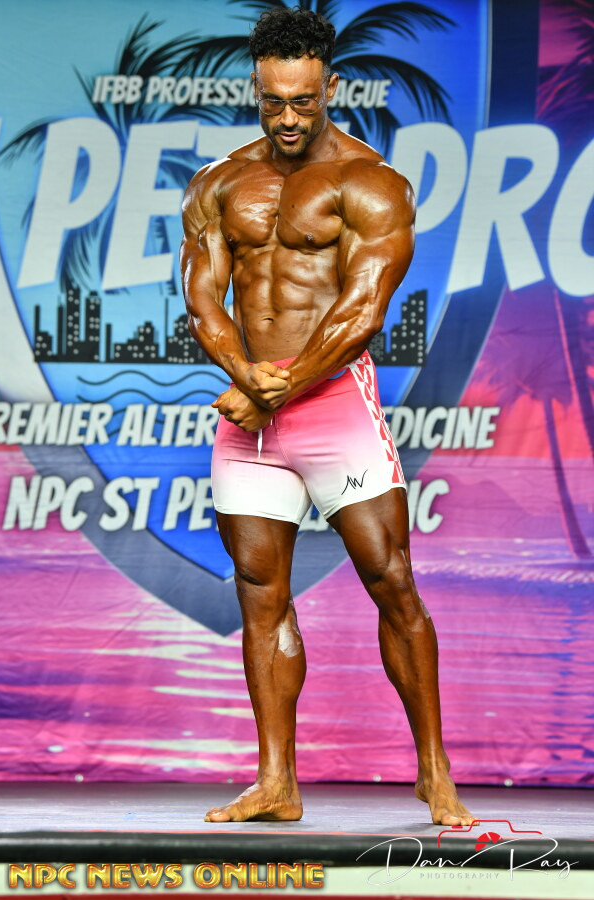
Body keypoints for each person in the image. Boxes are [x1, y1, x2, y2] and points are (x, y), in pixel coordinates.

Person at [180, 6, 472, 826]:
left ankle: (435, 771)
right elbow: (203, 301)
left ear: (330, 87)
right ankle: (277, 781)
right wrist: (246, 377)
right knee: (260, 592)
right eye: (272, 101)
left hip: (334, 406)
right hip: (250, 412)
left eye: (303, 101)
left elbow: (361, 315)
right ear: (256, 89)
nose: (287, 117)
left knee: (392, 580)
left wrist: (267, 390)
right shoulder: (219, 183)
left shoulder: (371, 182)